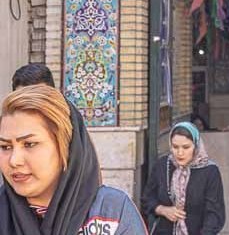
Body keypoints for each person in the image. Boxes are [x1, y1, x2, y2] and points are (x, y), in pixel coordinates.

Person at [0, 84, 146, 234]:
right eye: (5, 147)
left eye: (30, 144)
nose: (14, 160)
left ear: (66, 147)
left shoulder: (111, 211)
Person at [142, 122, 225, 235]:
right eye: (175, 147)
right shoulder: (162, 166)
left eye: (186, 147)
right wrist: (162, 210)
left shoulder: (209, 171)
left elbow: (214, 214)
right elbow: (147, 199)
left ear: (196, 146)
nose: (180, 153)